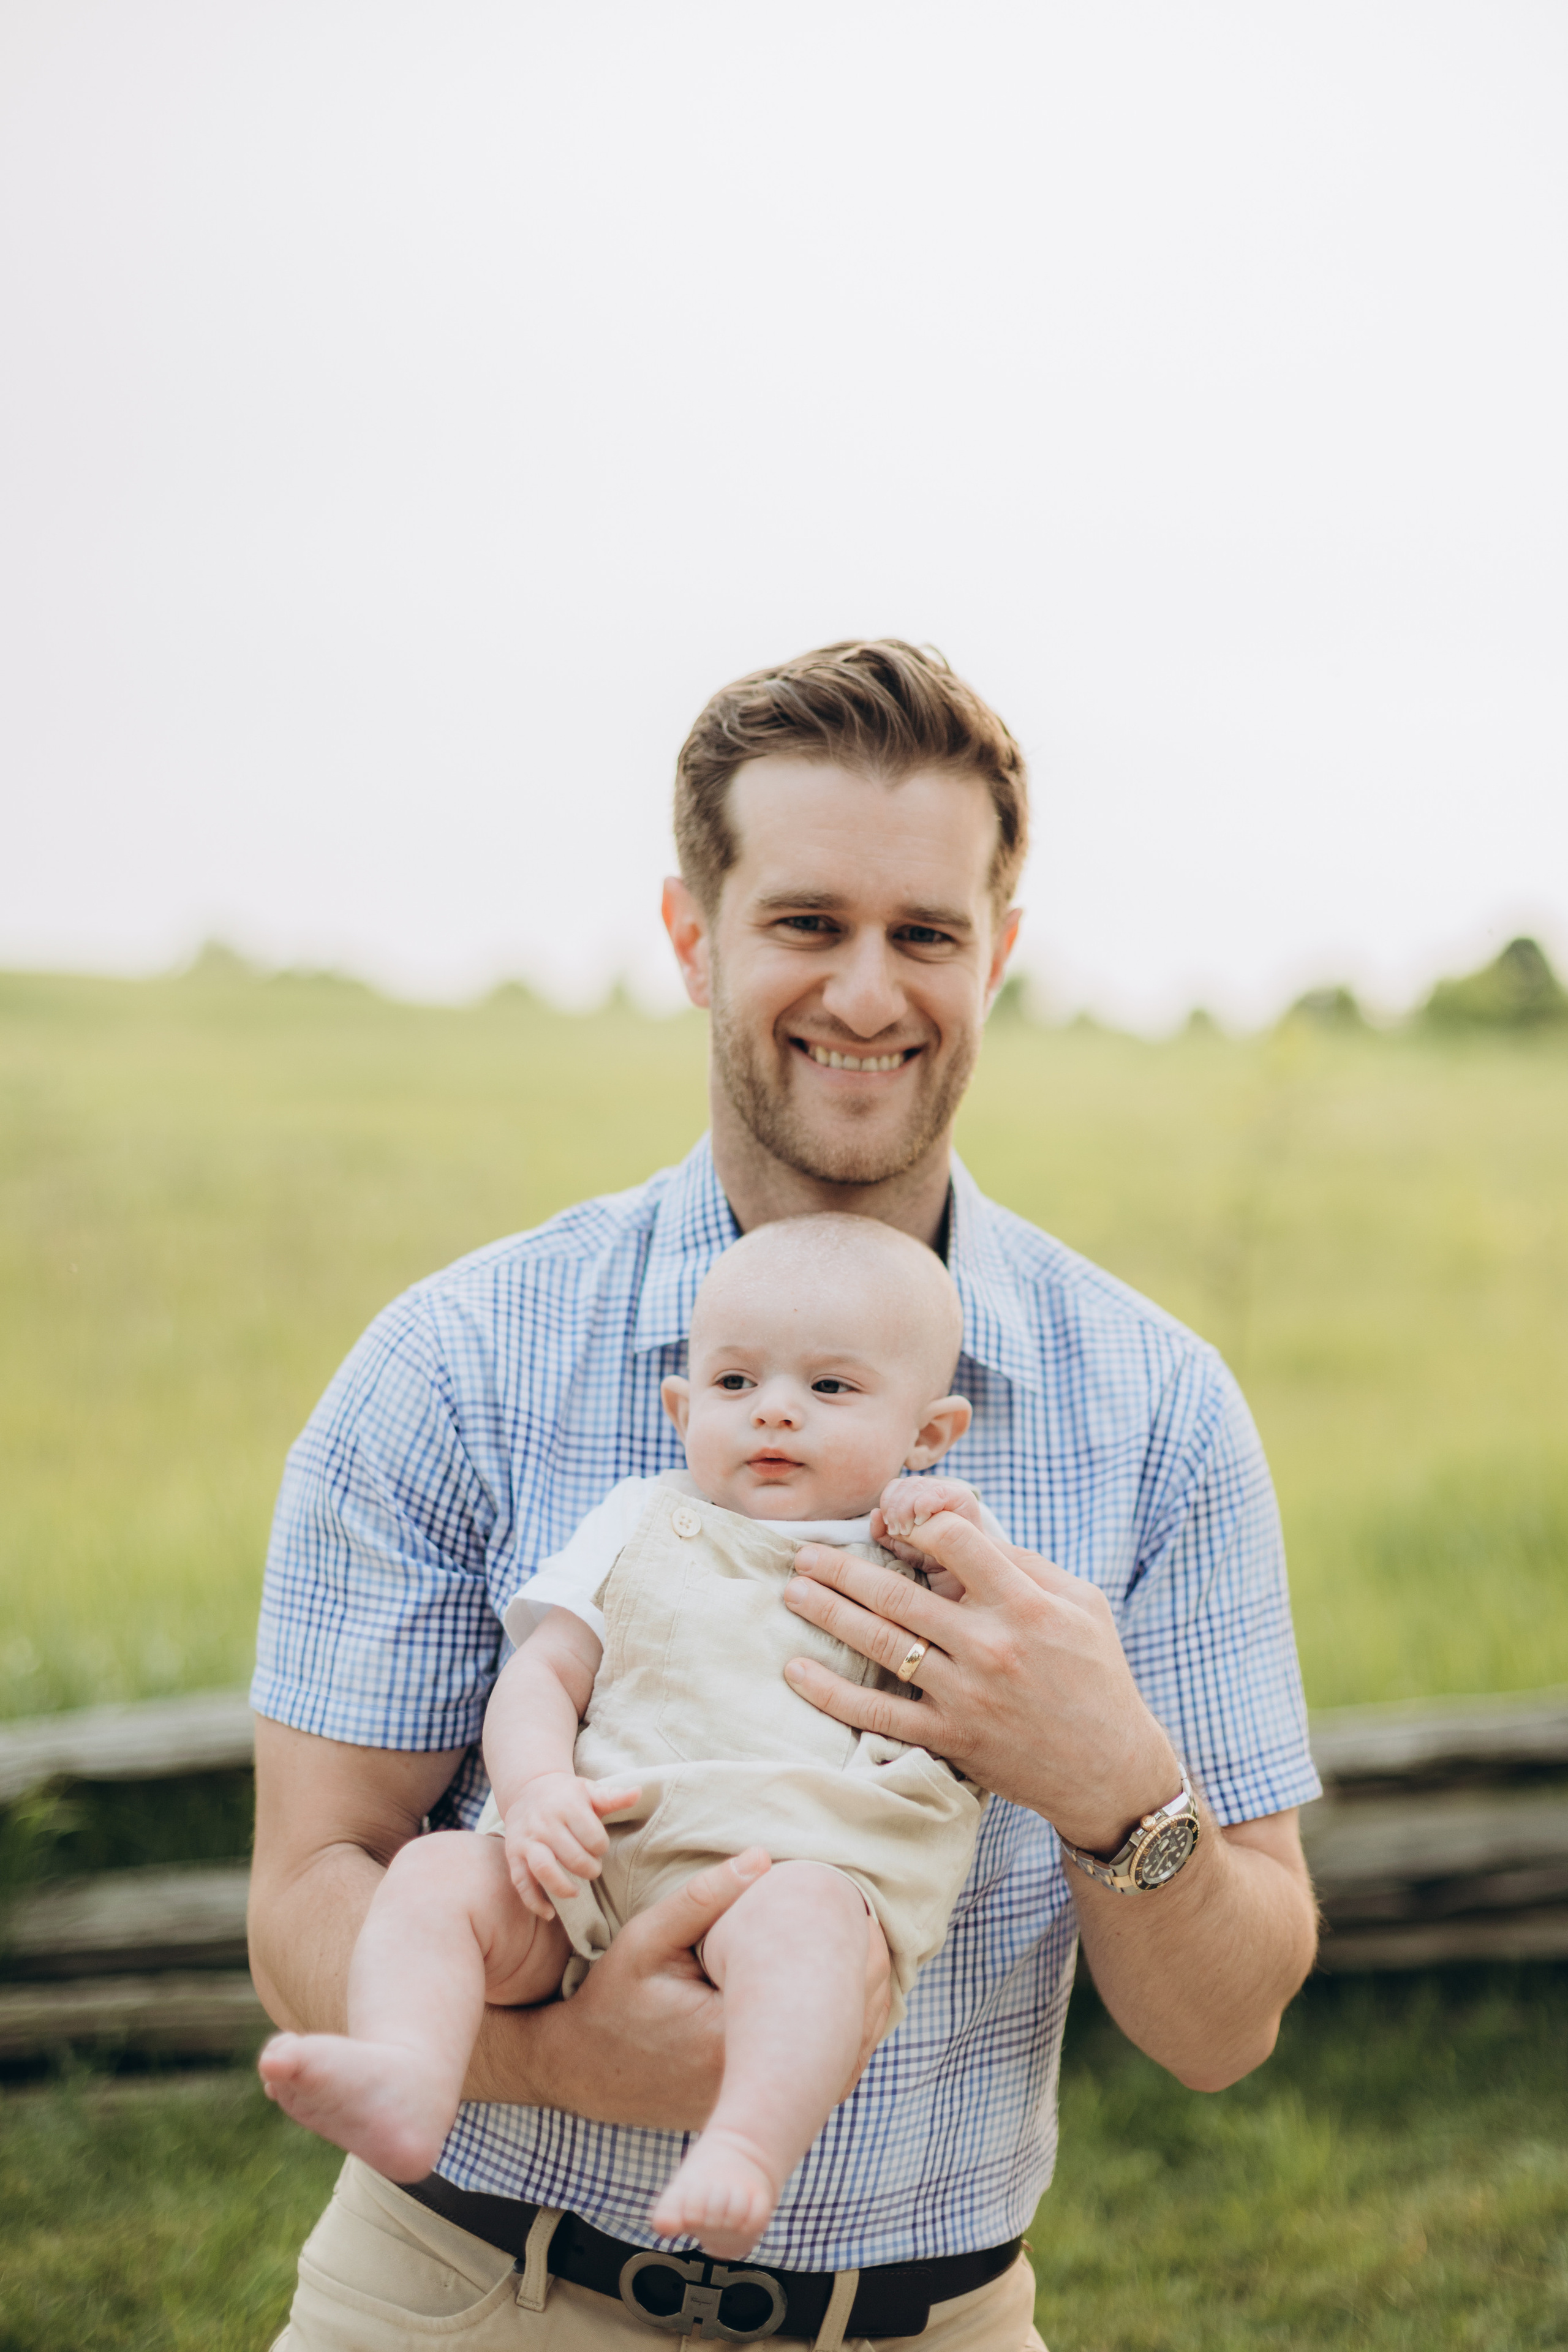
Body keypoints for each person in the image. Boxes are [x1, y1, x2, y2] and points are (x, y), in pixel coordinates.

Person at [249, 639, 1321, 2352]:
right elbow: (310, 1886)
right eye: (809, 925)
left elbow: (1223, 2033)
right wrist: (560, 2059)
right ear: (696, 935)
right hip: (468, 2292)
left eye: (928, 936)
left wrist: (1110, 1778)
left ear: (1002, 955)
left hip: (927, 2321)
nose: (870, 995)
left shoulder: (1156, 1410)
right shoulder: (458, 1361)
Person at [257, 1216, 1009, 2263]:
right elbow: (545, 1675)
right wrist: (535, 1793)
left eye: (830, 1390)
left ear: (928, 1435)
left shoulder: (923, 1553)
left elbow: (999, 1683)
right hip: (601, 1851)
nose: (776, 1410)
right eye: (737, 1384)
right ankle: (405, 2072)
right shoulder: (636, 1519)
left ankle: (745, 2147)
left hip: (798, 1862)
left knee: (806, 1940)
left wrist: (953, 1531)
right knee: (432, 1876)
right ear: (682, 1405)